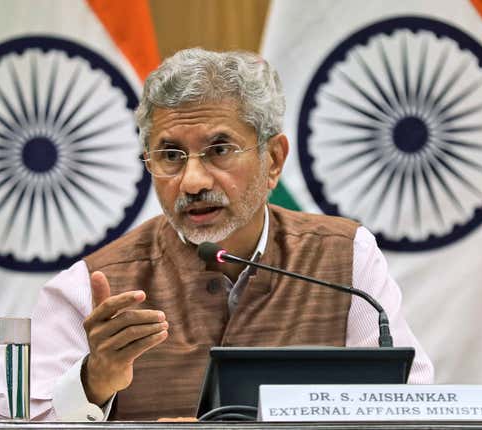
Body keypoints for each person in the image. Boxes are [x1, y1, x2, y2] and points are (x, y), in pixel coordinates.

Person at [29, 48, 434, 421]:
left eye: (219, 150)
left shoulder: (345, 258)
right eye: (170, 155)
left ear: (273, 159)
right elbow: (19, 424)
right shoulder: (92, 286)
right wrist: (94, 381)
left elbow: (408, 408)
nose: (191, 181)